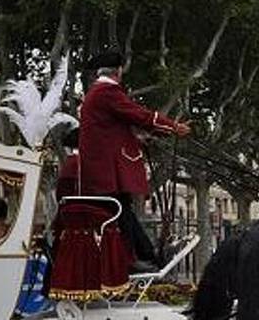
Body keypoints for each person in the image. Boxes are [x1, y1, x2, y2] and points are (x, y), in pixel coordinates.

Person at [78, 51, 190, 271]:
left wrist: (142, 136)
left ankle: (145, 255)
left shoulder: (97, 93)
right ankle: (135, 259)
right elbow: (139, 115)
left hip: (102, 169)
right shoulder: (107, 92)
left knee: (123, 211)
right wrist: (172, 127)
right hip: (107, 170)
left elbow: (117, 127)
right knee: (121, 213)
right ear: (118, 71)